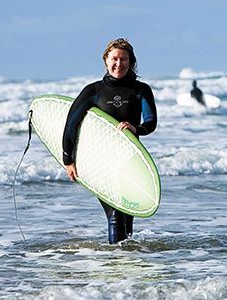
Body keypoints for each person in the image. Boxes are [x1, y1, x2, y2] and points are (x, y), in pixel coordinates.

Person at [62, 38, 157, 244]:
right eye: (114, 58)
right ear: (106, 60)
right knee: (115, 215)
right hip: (101, 162)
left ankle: (127, 264)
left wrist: (136, 128)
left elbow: (151, 122)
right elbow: (71, 124)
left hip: (130, 161)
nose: (119, 64)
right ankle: (116, 261)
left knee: (128, 216)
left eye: (124, 59)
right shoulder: (93, 91)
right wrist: (68, 160)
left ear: (131, 62)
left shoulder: (141, 90)